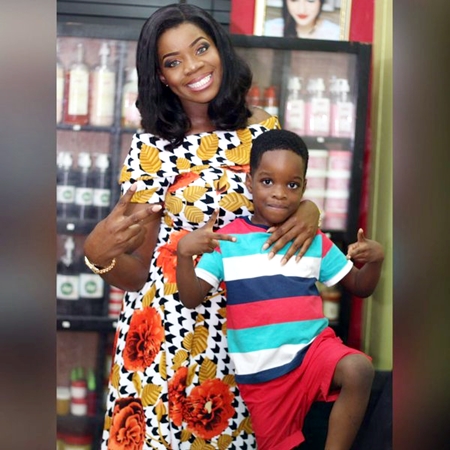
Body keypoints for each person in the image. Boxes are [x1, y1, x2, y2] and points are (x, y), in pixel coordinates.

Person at [83, 4, 320, 449]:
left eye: (200, 49)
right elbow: (138, 271)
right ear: (161, 76)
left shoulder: (263, 130)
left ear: (220, 49)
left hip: (247, 328)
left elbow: (285, 195)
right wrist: (97, 257)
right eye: (173, 62)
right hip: (168, 331)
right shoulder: (153, 147)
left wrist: (309, 210)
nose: (193, 67)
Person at [176, 129, 385, 450]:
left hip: (312, 352)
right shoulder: (228, 241)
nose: (279, 194)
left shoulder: (311, 239)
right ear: (249, 183)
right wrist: (183, 254)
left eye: (292, 185)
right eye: (267, 181)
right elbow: (191, 298)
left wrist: (376, 260)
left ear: (304, 187)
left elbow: (360, 286)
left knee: (358, 369)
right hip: (265, 378)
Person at [264, 0, 340, 40]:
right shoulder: (267, 30)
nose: (302, 9)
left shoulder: (336, 35)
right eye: (294, 0)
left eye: (310, 0)